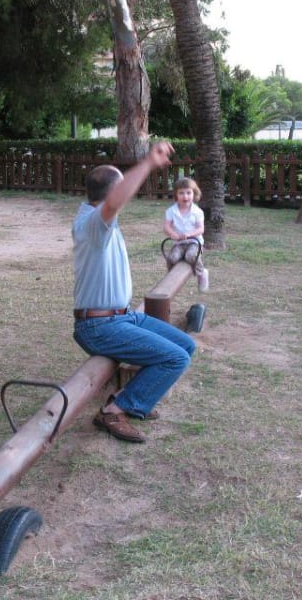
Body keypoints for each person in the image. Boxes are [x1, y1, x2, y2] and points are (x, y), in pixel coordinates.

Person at [72, 140, 196, 443]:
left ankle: (137, 398)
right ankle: (115, 410)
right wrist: (147, 164)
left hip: (122, 318)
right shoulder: (93, 224)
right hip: (100, 325)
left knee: (185, 347)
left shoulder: (99, 222)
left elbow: (113, 202)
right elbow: (114, 202)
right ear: (112, 194)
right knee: (174, 358)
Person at [163, 176, 209, 292]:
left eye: (189, 193)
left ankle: (201, 273)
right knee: (172, 258)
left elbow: (201, 229)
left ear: (194, 194)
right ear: (176, 195)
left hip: (194, 242)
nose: (185, 196)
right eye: (181, 193)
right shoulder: (171, 211)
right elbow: (167, 227)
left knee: (191, 256)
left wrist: (189, 234)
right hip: (179, 243)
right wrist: (173, 234)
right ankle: (171, 278)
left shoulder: (197, 212)